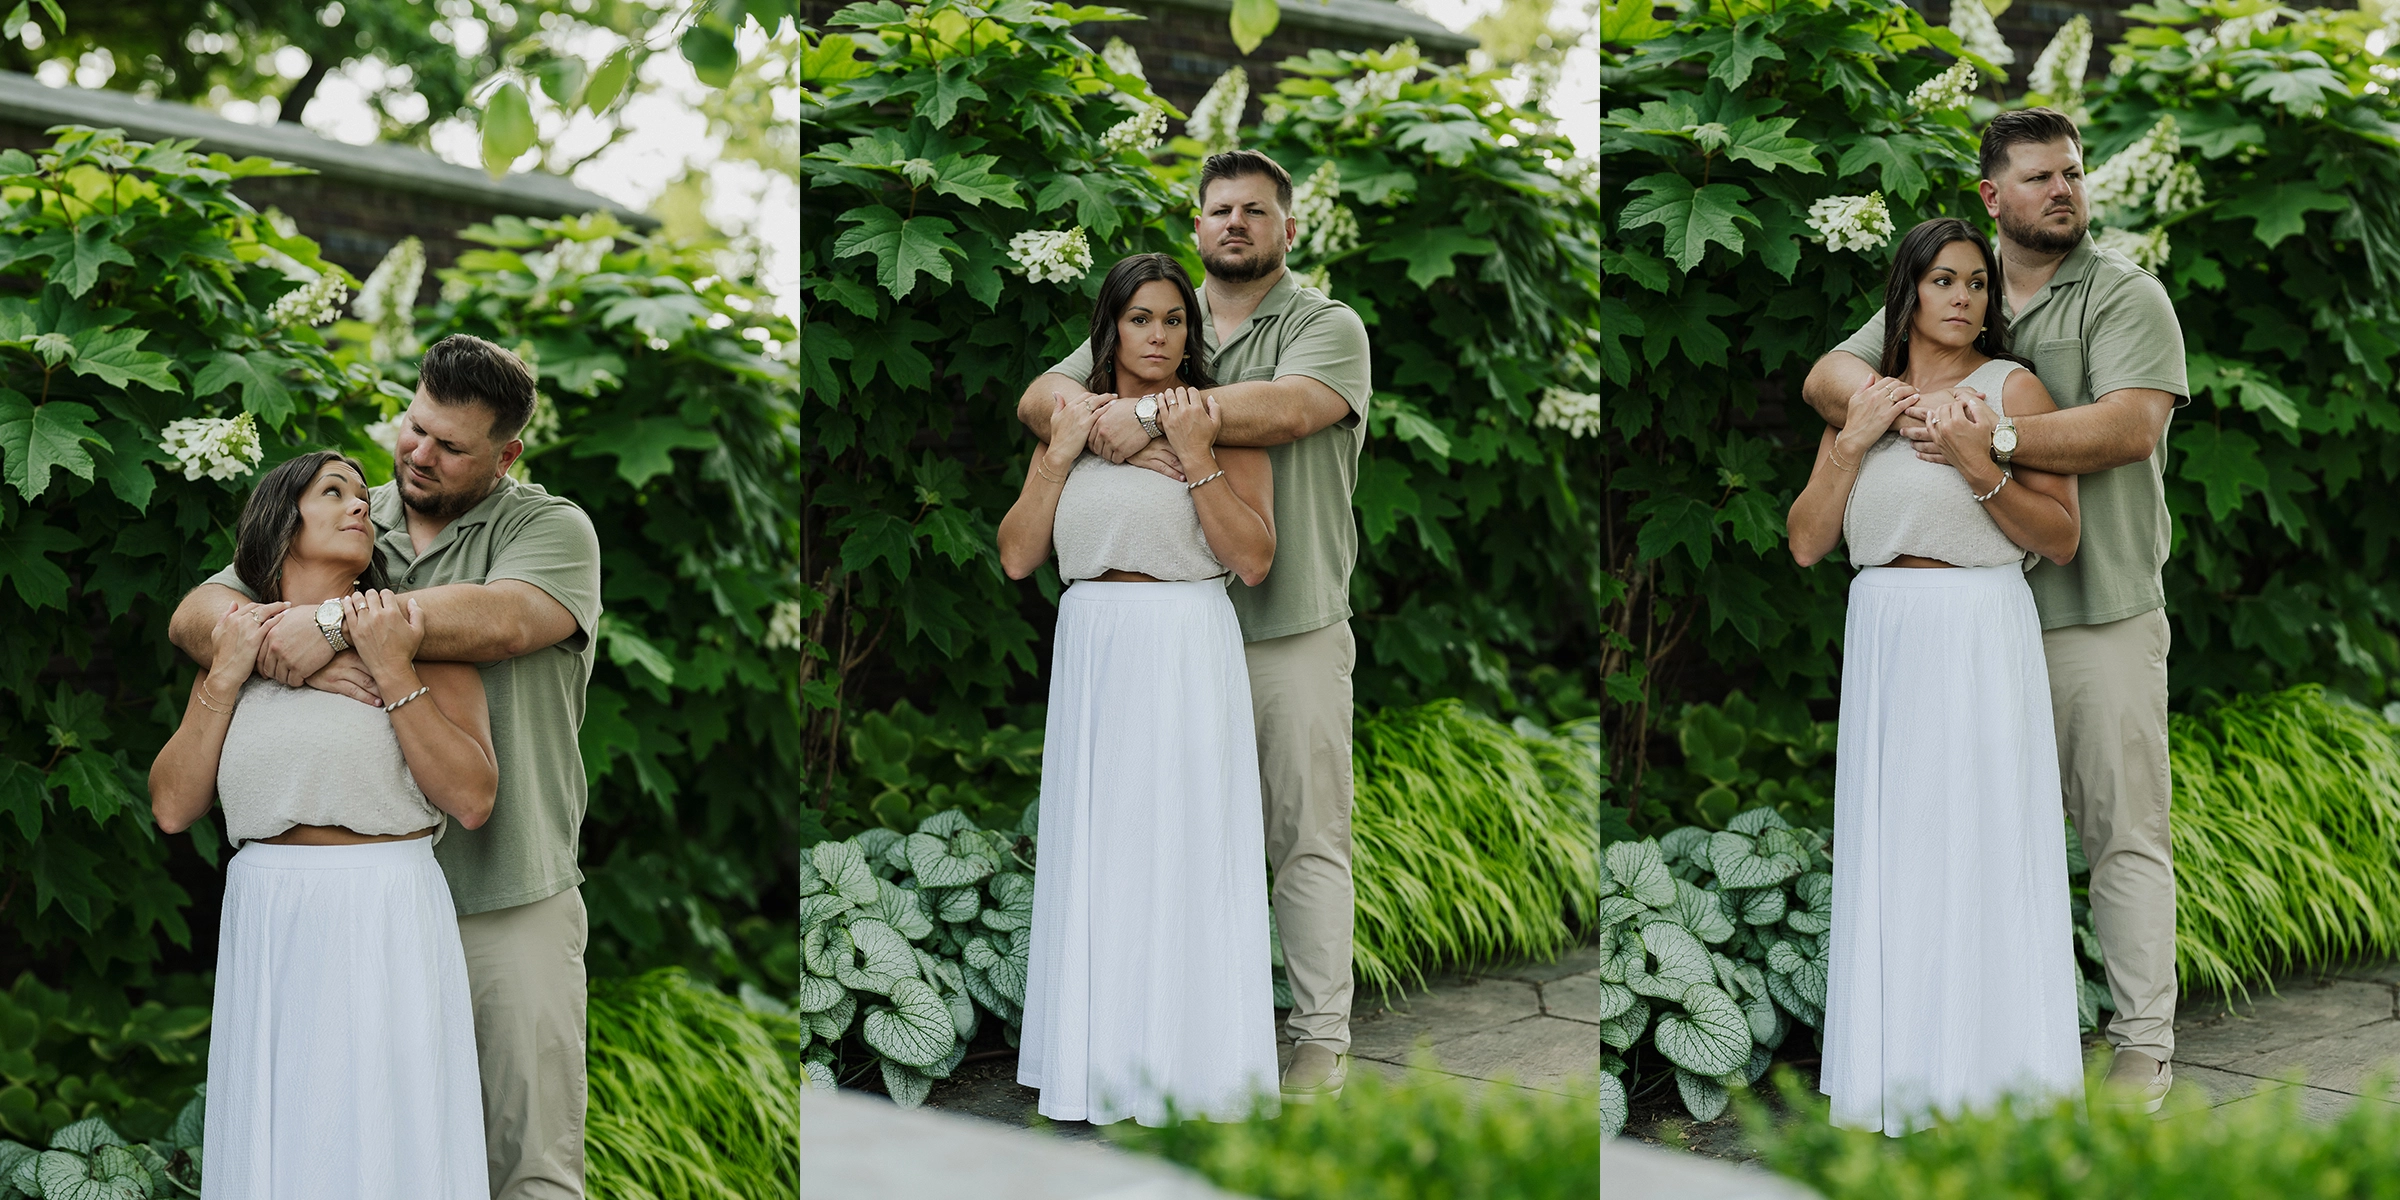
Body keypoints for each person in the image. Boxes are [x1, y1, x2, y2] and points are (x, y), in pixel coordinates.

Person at [1801, 107, 2188, 1113]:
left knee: (2122, 831)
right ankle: (1957, 1059)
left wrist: (1995, 444)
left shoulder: (2123, 295)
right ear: (1991, 195)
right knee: (1964, 843)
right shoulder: (1956, 286)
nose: (2063, 190)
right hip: (1976, 624)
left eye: (2073, 173)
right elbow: (1835, 374)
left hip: (2095, 609)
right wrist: (1914, 405)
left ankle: (2141, 1048)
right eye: (2039, 176)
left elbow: (2130, 425)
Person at [169, 335, 604, 1199]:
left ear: (506, 454)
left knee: (527, 1166)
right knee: (359, 1148)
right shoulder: (354, 517)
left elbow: (507, 621)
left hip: (502, 888)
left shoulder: (551, 529)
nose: (418, 454)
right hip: (357, 904)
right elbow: (200, 613)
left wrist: (327, 627)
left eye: (451, 446)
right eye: (414, 426)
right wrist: (286, 649)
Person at [1013, 150, 1373, 1103]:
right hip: (1168, 635)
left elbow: (1293, 410)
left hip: (1287, 623)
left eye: (1257, 211)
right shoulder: (1163, 317)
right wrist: (1117, 411)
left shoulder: (1326, 326)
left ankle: (1319, 1042)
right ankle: (1167, 1045)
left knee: (1304, 836)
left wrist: (1158, 419)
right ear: (1197, 226)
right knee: (1160, 839)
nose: (1237, 224)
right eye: (1220, 210)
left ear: (1288, 228)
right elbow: (1044, 398)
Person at [1787, 216, 2086, 1135]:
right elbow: (1806, 543)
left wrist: (1979, 462)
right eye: (1945, 282)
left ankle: (1996, 1079)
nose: (1964, 300)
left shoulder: (2013, 388)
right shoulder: (1867, 395)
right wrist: (1852, 438)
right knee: (1899, 848)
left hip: (1980, 627)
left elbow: (2062, 537)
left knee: (1983, 842)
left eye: (1978, 285)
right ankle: (1900, 1075)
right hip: (1887, 630)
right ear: (1909, 290)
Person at [151, 450, 497, 1198]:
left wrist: (393, 666)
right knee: (286, 1133)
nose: (359, 504)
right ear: (282, 521)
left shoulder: (415, 633)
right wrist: (228, 672)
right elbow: (174, 806)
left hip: (385, 906)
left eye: (361, 496)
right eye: (332, 491)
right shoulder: (235, 645)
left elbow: (472, 798)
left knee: (386, 1132)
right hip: (270, 910)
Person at [999, 252, 1281, 1125]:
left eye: (1173, 320)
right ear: (1110, 327)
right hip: (1095, 646)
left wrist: (1194, 456)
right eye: (1139, 319)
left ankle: (1193, 1072)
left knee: (1185, 848)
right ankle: (1098, 1067)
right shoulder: (1072, 412)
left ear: (1190, 334)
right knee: (1102, 852)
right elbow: (1016, 557)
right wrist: (1062, 452)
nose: (1157, 336)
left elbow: (1255, 559)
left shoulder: (1218, 422)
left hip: (1186, 641)